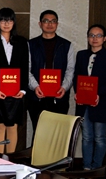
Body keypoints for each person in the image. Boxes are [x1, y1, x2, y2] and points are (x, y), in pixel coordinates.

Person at [73, 24, 106, 170]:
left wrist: (98, 94)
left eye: (98, 36)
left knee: (99, 137)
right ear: (88, 38)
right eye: (91, 35)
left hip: (101, 102)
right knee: (87, 137)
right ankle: (86, 167)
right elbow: (76, 76)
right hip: (84, 103)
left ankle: (97, 168)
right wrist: (78, 92)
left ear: (104, 38)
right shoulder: (81, 55)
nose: (95, 38)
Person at [0, 8, 29, 154]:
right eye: (3, 20)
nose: (6, 23)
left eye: (10, 20)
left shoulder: (22, 42)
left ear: (14, 22)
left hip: (16, 93)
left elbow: (25, 67)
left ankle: (10, 159)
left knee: (13, 126)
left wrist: (23, 90)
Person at [27, 10, 75, 140]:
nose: (50, 24)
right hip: (37, 97)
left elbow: (70, 69)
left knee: (57, 135)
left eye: (53, 21)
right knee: (39, 133)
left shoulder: (66, 45)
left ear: (57, 24)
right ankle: (37, 155)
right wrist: (35, 87)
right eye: (46, 21)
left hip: (59, 97)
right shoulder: (30, 44)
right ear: (40, 24)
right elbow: (27, 69)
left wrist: (64, 87)